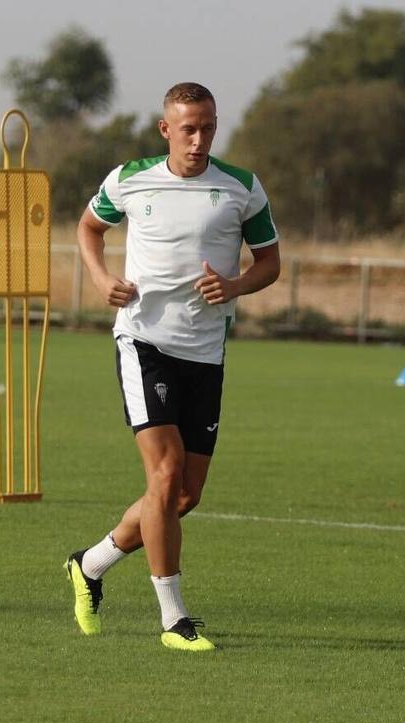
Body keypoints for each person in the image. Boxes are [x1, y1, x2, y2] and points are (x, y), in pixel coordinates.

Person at [63, 82, 280, 651]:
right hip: (144, 342)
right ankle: (173, 619)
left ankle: (90, 564)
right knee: (163, 476)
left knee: (184, 496)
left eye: (208, 126)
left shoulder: (241, 187)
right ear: (166, 129)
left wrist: (235, 285)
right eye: (188, 127)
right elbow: (88, 228)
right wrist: (98, 276)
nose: (199, 137)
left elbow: (271, 262)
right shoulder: (129, 179)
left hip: (206, 352)